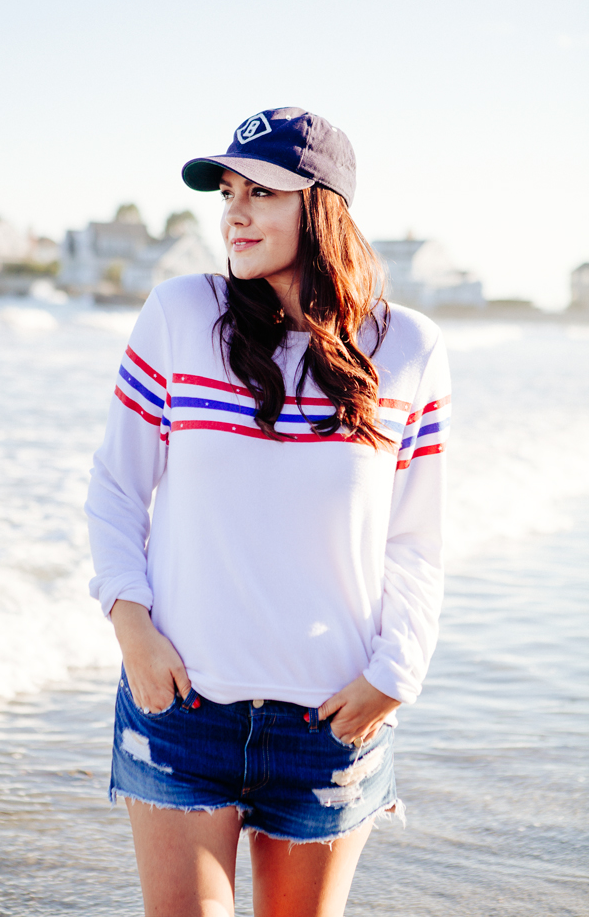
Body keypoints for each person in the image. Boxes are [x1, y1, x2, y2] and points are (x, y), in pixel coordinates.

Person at [85, 107, 451, 917]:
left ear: (321, 208)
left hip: (332, 720)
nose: (234, 213)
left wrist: (398, 675)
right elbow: (116, 486)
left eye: (262, 192)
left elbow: (414, 540)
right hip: (180, 708)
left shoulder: (409, 349)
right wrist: (131, 626)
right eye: (228, 192)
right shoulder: (181, 316)